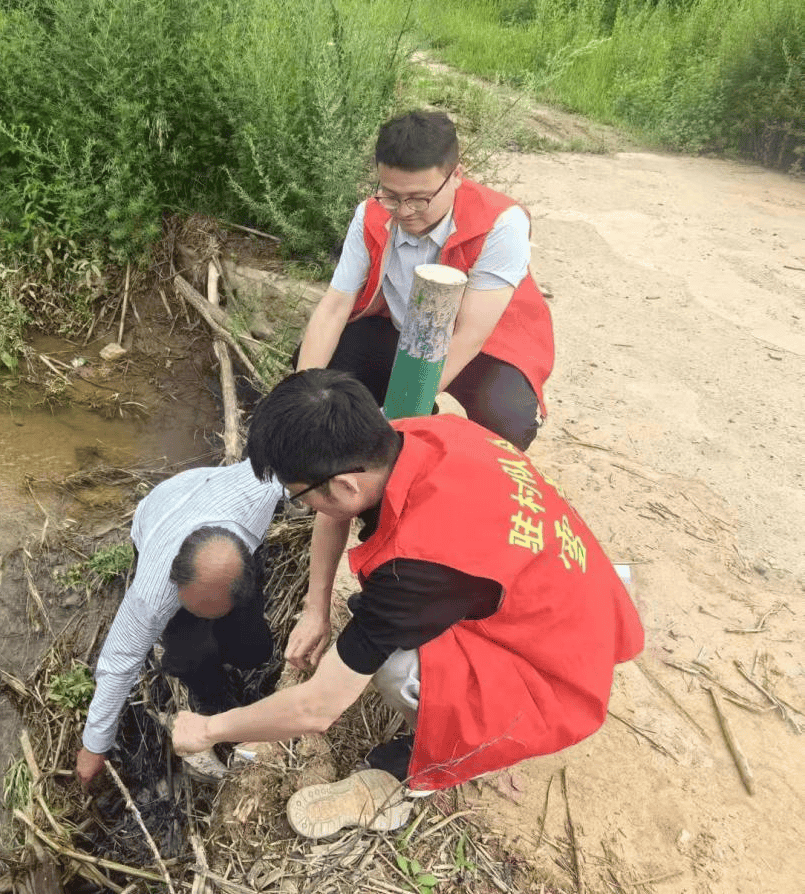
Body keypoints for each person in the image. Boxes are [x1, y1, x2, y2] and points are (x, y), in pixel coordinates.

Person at [171, 370, 643, 824]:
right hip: (569, 595)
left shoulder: (419, 567)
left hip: (557, 677)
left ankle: (416, 767)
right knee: (376, 628)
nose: (304, 506)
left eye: (300, 496)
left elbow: (318, 709)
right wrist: (315, 607)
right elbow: (334, 507)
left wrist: (209, 730)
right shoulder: (422, 435)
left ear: (344, 484)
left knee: (394, 666)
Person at [296, 110, 554, 451]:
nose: (404, 211)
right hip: (403, 335)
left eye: (420, 198)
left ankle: (435, 450)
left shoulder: (500, 224)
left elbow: (469, 335)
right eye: (391, 195)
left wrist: (403, 408)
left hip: (480, 350)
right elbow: (334, 306)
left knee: (507, 418)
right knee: (321, 367)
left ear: (456, 176)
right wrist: (301, 398)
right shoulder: (370, 214)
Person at [75, 461, 284, 786]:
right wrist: (94, 747)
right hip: (160, 512)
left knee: (254, 649)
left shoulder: (263, 491)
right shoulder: (153, 595)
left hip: (212, 497)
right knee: (190, 652)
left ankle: (229, 639)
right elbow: (118, 663)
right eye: (198, 607)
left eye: (214, 609)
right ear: (177, 584)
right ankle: (209, 701)